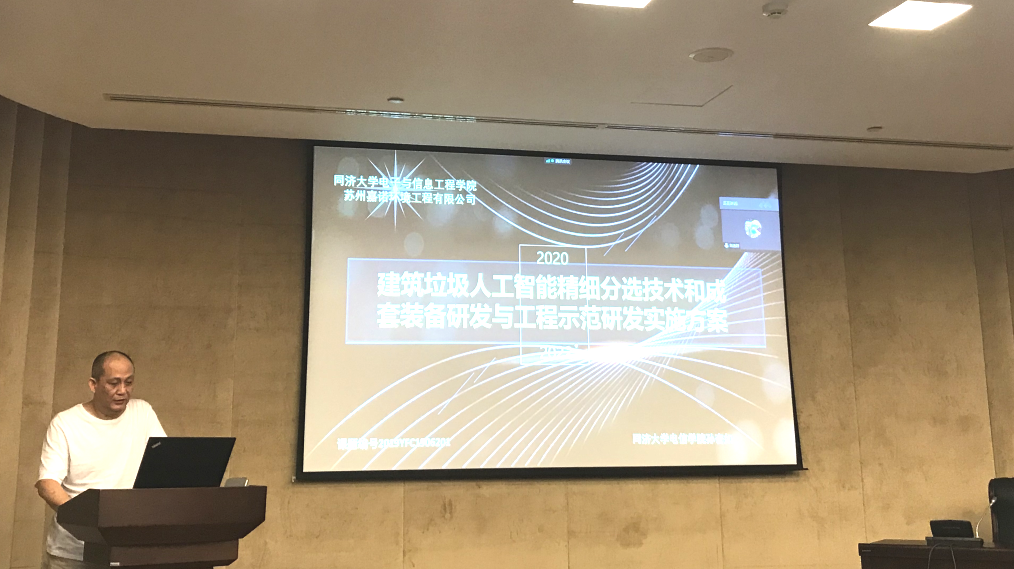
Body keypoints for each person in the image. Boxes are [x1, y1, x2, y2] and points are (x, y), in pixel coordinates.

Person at [36, 351, 166, 569]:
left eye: (128, 382)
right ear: (93, 384)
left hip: (126, 549)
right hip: (73, 554)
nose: (122, 390)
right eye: (114, 383)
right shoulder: (66, 423)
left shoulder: (143, 412)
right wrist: (87, 522)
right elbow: (47, 484)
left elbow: (164, 464)